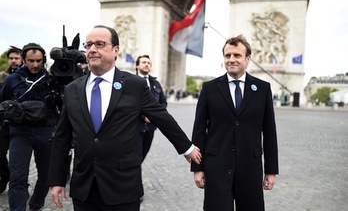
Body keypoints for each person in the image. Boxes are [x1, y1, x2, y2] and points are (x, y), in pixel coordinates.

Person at [47, 25, 201, 211]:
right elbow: (62, 138)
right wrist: (57, 180)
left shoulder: (134, 85)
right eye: (88, 45)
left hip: (122, 186)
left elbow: (162, 117)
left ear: (116, 50)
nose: (92, 49)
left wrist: (187, 147)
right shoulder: (72, 89)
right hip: (84, 187)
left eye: (100, 44)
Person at [191, 35, 279, 211]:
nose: (231, 59)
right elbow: (199, 131)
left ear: (247, 59)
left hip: (250, 167)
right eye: (227, 55)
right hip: (216, 166)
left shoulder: (263, 89)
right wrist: (197, 168)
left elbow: (269, 132)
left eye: (237, 55)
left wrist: (270, 170)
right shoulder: (209, 88)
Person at [0, 43, 61, 211]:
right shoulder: (12, 79)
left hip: (46, 131)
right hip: (20, 133)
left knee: (46, 175)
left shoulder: (51, 80)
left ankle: (35, 205)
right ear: (24, 60)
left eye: (39, 61)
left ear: (44, 60)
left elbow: (62, 106)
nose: (35, 65)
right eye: (31, 61)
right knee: (18, 177)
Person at [135, 55, 167, 162]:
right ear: (137, 65)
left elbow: (163, 102)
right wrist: (144, 116)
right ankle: (134, 178)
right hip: (136, 126)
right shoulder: (131, 82)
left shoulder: (155, 83)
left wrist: (155, 117)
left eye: (148, 63)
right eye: (143, 62)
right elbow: (129, 104)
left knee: (143, 154)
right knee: (136, 156)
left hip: (150, 127)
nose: (146, 65)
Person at [0, 46, 23, 194]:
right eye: (11, 58)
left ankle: (20, 181)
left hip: (20, 123)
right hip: (4, 121)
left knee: (19, 158)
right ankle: (5, 174)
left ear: (21, 59)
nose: (13, 61)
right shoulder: (2, 76)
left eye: (16, 58)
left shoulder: (26, 76)